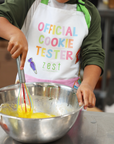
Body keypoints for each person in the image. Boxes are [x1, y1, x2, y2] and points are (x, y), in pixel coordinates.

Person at [0, 0, 105, 109]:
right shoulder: (30, 2)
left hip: (68, 98)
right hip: (27, 93)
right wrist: (14, 33)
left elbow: (93, 54)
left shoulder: (88, 12)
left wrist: (87, 84)